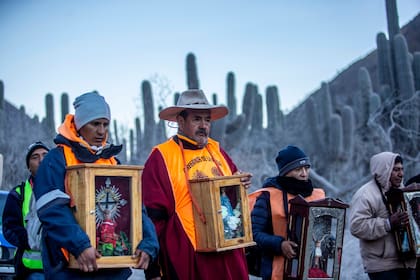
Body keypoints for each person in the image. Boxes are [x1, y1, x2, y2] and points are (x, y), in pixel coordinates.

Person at [33, 91, 159, 279]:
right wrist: (80, 245)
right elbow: (51, 210)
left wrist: (148, 243)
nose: (101, 131)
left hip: (114, 271)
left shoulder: (113, 162)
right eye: (95, 124)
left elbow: (135, 211)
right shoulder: (56, 159)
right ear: (80, 124)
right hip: (69, 270)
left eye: (105, 124)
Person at [141, 89, 252, 280]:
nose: (203, 126)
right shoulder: (161, 156)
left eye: (207, 120)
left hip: (228, 252)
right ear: (180, 121)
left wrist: (240, 182)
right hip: (189, 255)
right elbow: (153, 218)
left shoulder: (216, 150)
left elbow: (232, 196)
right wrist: (153, 269)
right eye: (196, 119)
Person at [250, 145, 325, 280]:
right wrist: (279, 244)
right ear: (285, 172)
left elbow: (325, 231)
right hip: (276, 272)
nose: (304, 173)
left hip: (313, 271)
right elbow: (254, 234)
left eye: (306, 168)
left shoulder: (318, 195)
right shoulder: (267, 196)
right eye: (298, 169)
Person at [349, 152, 416, 280]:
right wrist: (387, 223)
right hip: (382, 266)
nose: (401, 174)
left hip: (408, 262)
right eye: (396, 170)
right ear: (384, 170)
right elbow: (356, 226)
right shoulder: (365, 194)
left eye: (402, 169)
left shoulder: (404, 191)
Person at [3, 141, 49, 279]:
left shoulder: (67, 187)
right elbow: (9, 227)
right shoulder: (18, 194)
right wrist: (29, 240)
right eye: (35, 157)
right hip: (31, 270)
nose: (41, 160)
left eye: (45, 155)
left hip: (63, 269)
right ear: (28, 166)